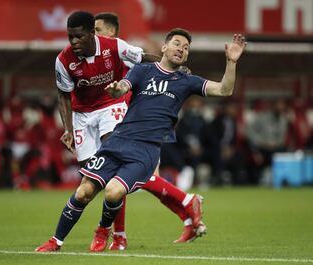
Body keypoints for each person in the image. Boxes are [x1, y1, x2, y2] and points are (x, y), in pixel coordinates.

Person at [36, 24, 246, 252]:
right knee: (84, 191)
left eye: (186, 48)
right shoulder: (142, 70)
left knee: (114, 191)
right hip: (118, 140)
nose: (181, 49)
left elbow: (224, 90)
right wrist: (116, 89)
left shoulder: (187, 82)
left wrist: (231, 62)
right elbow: (123, 87)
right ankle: (55, 241)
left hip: (145, 149)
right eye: (177, 44)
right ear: (164, 47)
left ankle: (103, 230)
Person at [93, 12, 206, 249]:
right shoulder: (94, 54)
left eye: (97, 30)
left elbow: (151, 59)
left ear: (111, 32)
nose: (94, 35)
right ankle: (186, 210)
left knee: (123, 179)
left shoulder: (121, 49)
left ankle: (184, 203)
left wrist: (178, 71)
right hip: (120, 117)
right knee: (132, 180)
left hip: (127, 118)